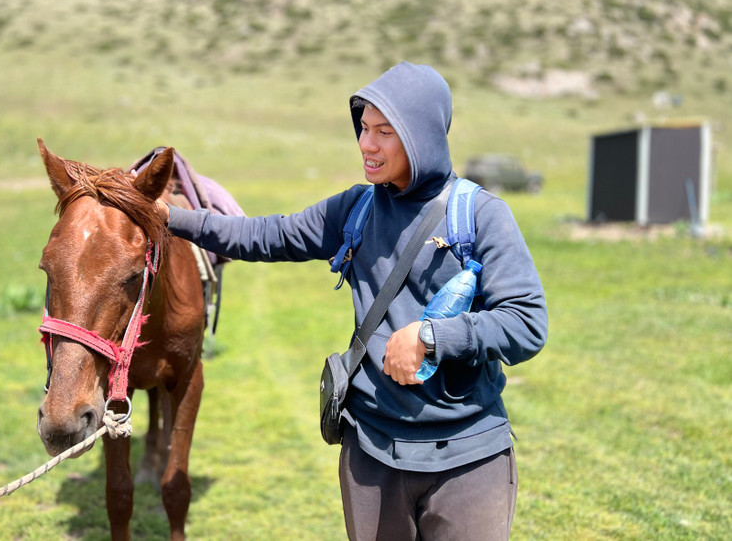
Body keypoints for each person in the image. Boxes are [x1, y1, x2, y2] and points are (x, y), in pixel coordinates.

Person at [156, 62, 548, 540]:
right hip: (372, 453)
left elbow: (527, 324)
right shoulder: (356, 209)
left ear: (422, 136)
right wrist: (172, 218)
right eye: (364, 128)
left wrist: (431, 337)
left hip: (467, 460)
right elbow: (266, 235)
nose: (367, 144)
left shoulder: (481, 215)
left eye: (385, 131)